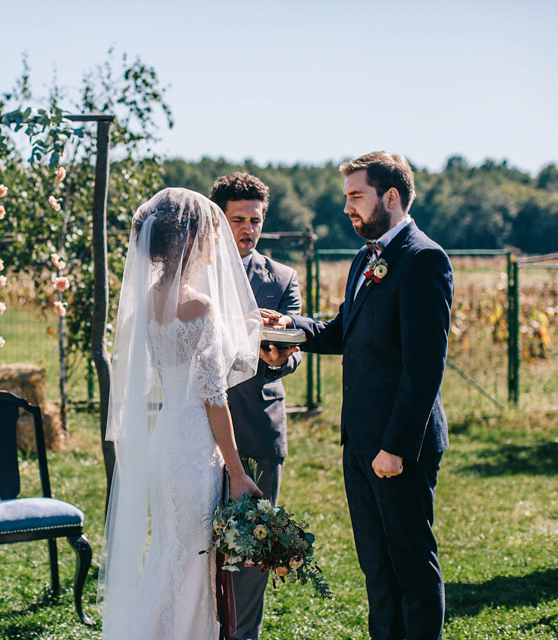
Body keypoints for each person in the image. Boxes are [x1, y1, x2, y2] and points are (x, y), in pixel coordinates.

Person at [264, 152, 453, 640]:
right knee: (377, 569)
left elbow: (424, 366)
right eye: (346, 196)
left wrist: (396, 447)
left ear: (390, 197)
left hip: (398, 446)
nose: (347, 207)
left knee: (410, 566)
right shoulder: (365, 257)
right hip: (361, 443)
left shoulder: (423, 258)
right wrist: (292, 327)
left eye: (356, 196)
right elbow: (341, 330)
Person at [100, 188, 263, 639]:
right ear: (190, 241)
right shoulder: (200, 306)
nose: (217, 243)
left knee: (169, 555)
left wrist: (245, 329)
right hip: (193, 449)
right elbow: (214, 395)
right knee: (191, 563)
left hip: (164, 442)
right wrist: (236, 471)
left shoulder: (153, 298)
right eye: (211, 234)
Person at [209, 172, 302, 640]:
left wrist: (279, 358)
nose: (247, 228)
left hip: (261, 433)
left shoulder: (283, 278)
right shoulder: (194, 273)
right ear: (218, 220)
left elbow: (296, 350)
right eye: (238, 219)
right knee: (199, 550)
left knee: (250, 554)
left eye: (256, 220)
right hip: (199, 434)